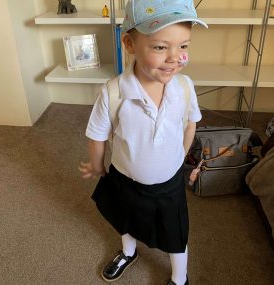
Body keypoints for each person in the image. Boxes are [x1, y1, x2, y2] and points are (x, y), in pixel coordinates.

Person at [79, 0, 207, 284]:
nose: (176, 57)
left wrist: (180, 155)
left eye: (183, 46)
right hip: (125, 179)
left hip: (170, 183)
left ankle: (179, 277)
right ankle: (128, 251)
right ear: (129, 43)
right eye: (161, 47)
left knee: (176, 233)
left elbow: (190, 122)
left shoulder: (185, 87)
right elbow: (97, 134)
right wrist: (97, 165)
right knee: (125, 219)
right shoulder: (114, 92)